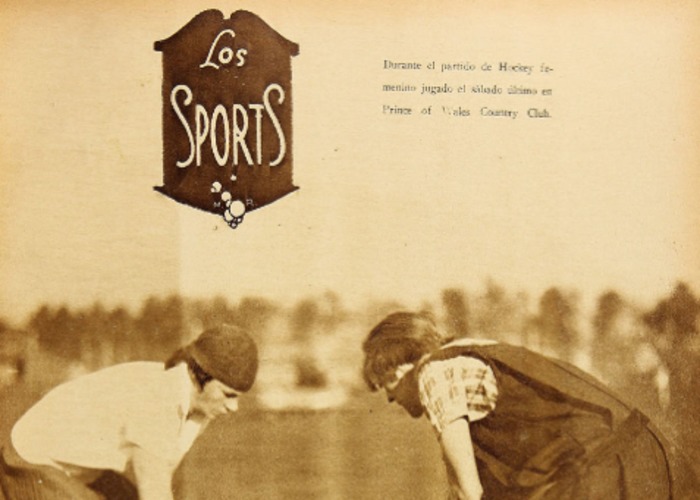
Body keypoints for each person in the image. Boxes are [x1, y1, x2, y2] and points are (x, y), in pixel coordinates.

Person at [362, 311, 699, 499]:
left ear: (401, 365)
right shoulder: (469, 351)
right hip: (644, 457)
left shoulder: (434, 373)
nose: (391, 397)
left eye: (385, 383)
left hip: (611, 469)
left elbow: (467, 490)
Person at [0, 324, 258, 500]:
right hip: (28, 460)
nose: (233, 407)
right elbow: (154, 488)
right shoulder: (161, 399)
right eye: (228, 394)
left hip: (78, 467)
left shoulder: (199, 405)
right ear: (199, 375)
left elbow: (163, 476)